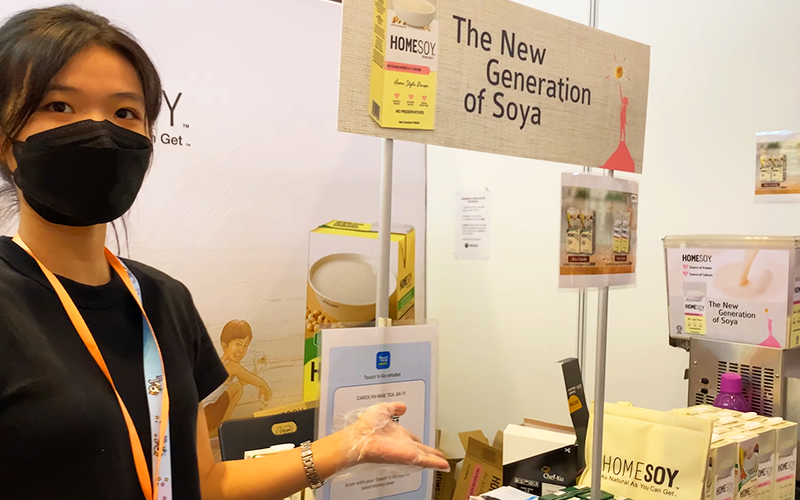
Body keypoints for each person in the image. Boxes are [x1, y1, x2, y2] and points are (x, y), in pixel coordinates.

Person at [0, 5, 448, 500]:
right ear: (5, 140)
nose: (99, 130)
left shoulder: (163, 300)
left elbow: (207, 484)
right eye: (60, 105)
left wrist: (348, 446)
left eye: (125, 112)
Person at [204, 319, 273, 435]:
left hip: (202, 415)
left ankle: (218, 429)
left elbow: (244, 380)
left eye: (245, 346)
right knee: (237, 387)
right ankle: (222, 427)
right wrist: (264, 386)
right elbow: (251, 380)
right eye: (238, 344)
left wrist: (256, 370)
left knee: (237, 385)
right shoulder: (231, 366)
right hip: (207, 415)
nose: (241, 350)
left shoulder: (219, 362)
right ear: (225, 346)